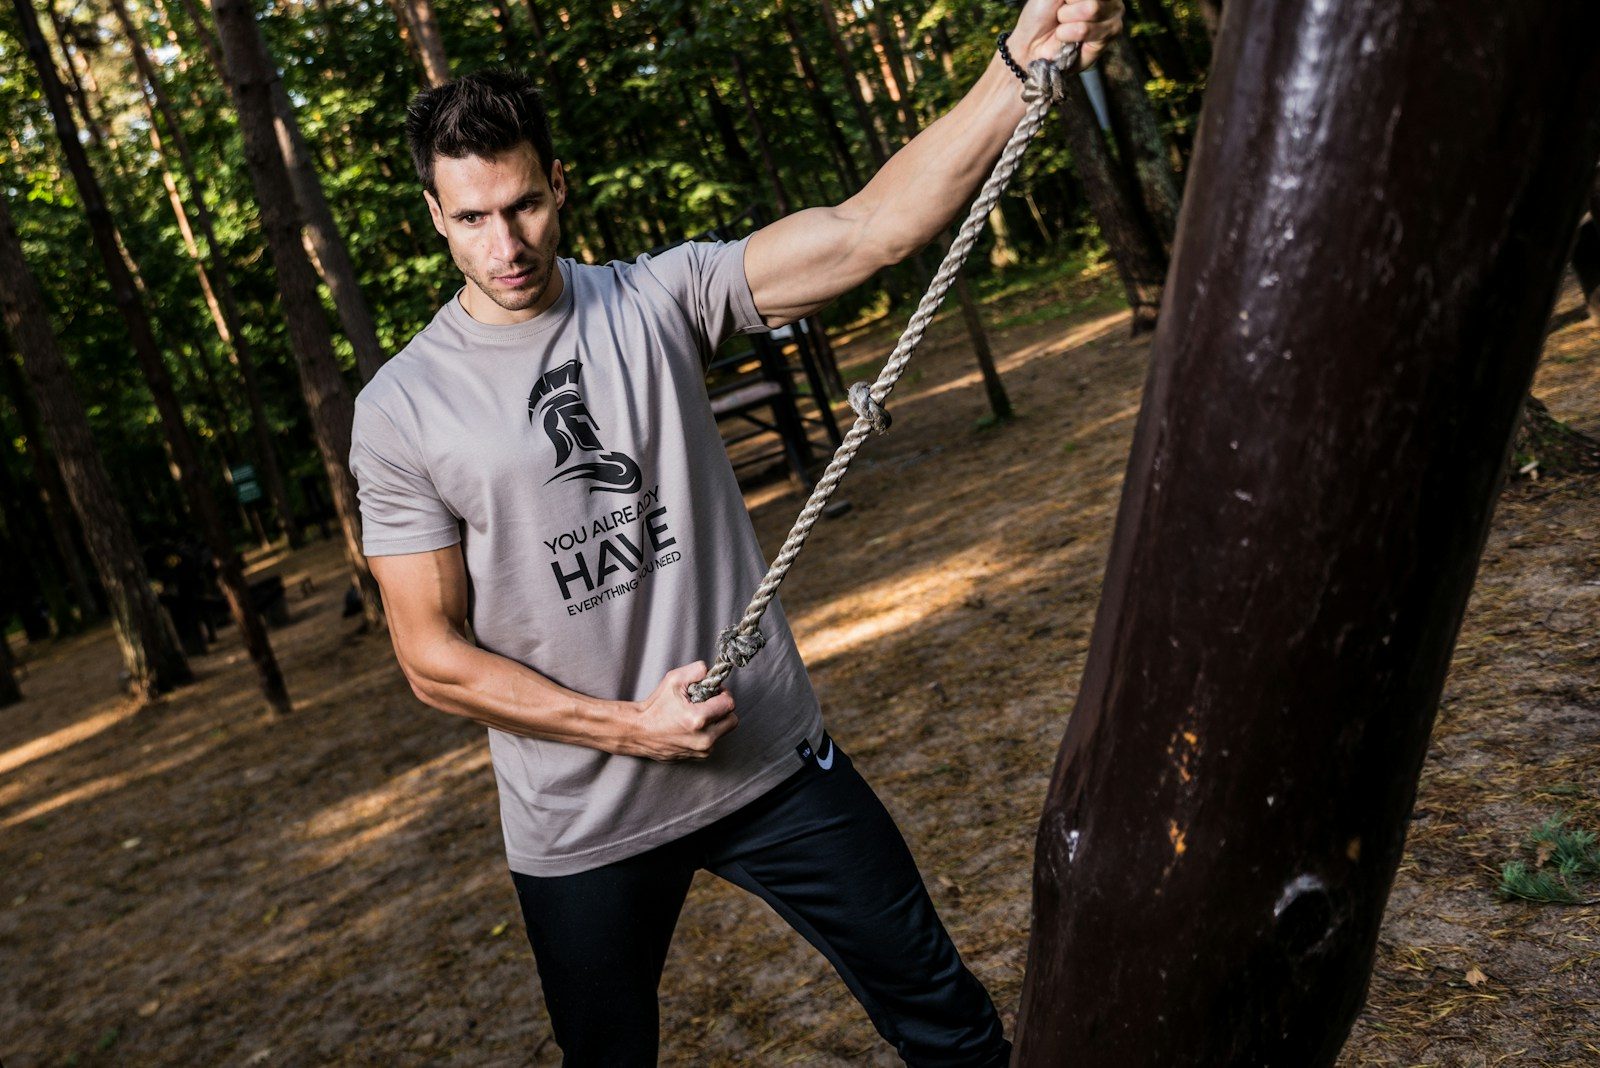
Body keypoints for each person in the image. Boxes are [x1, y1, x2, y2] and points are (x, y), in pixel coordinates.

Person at [349, 2, 1123, 1063]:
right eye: (472, 218)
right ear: (433, 217)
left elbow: (869, 228)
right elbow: (431, 661)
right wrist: (633, 728)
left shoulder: (656, 300)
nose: (506, 242)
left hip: (766, 760)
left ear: (558, 184)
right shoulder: (403, 407)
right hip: (583, 820)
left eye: (523, 205)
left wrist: (1016, 64)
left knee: (949, 1022)